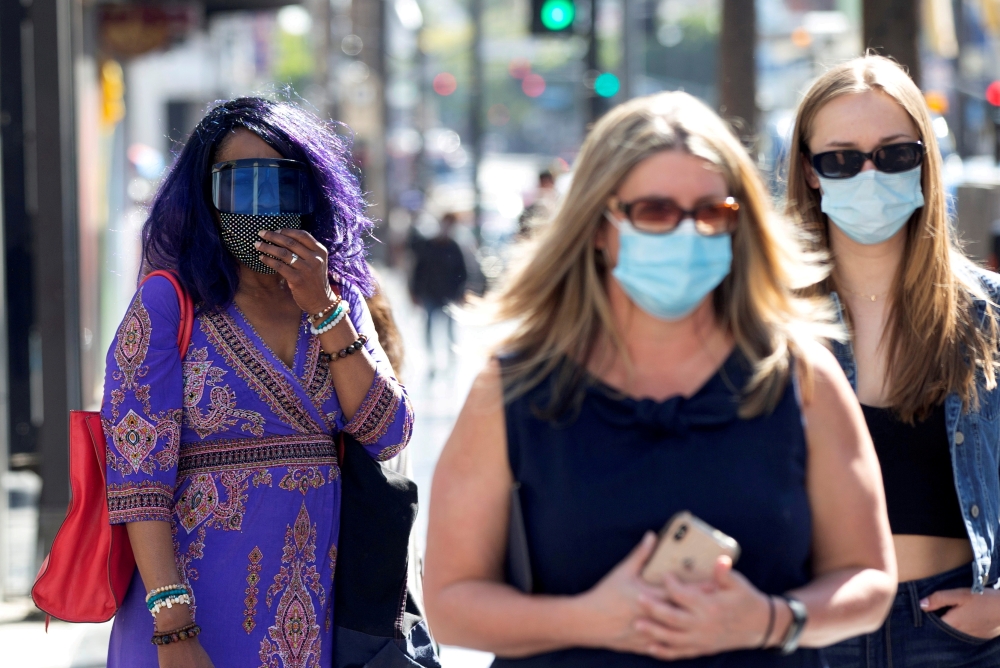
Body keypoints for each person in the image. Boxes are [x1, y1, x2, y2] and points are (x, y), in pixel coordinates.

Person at [423, 91, 896, 666]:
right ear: (599, 227)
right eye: (655, 211)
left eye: (711, 213)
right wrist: (589, 620)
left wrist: (770, 620)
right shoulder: (514, 388)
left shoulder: (800, 376)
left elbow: (869, 578)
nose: (687, 233)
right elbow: (449, 601)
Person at [103, 97, 413, 667]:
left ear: (311, 194)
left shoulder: (338, 299)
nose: (262, 205)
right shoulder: (168, 304)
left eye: (281, 183)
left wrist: (322, 307)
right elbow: (137, 480)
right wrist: (173, 630)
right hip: (190, 616)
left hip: (312, 617)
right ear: (206, 197)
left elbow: (388, 433)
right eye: (239, 184)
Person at [785, 55, 1000, 665]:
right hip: (814, 627)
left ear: (925, 161)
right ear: (810, 172)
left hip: (959, 633)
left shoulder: (990, 315)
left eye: (894, 153)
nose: (869, 173)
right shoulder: (764, 320)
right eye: (842, 158)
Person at [409, 212, 468, 359]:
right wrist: (414, 292)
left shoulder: (455, 247)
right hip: (431, 293)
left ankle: (451, 356)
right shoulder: (429, 245)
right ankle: (431, 357)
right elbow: (419, 270)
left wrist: (461, 293)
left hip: (449, 295)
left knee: (450, 329)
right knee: (429, 327)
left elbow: (463, 273)